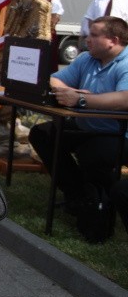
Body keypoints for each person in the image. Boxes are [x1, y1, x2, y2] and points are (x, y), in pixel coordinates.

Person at [29, 16, 128, 216]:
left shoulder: (125, 63)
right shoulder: (86, 58)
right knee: (42, 134)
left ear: (113, 40)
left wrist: (82, 99)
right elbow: (53, 80)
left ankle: (103, 200)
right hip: (87, 127)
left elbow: (124, 99)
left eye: (94, 35)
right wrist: (76, 94)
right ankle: (77, 194)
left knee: (93, 154)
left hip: (119, 134)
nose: (87, 39)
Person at [33, 0, 64, 71]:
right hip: (33, 34)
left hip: (48, 35)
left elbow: (55, 19)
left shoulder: (54, 0)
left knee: (47, 62)